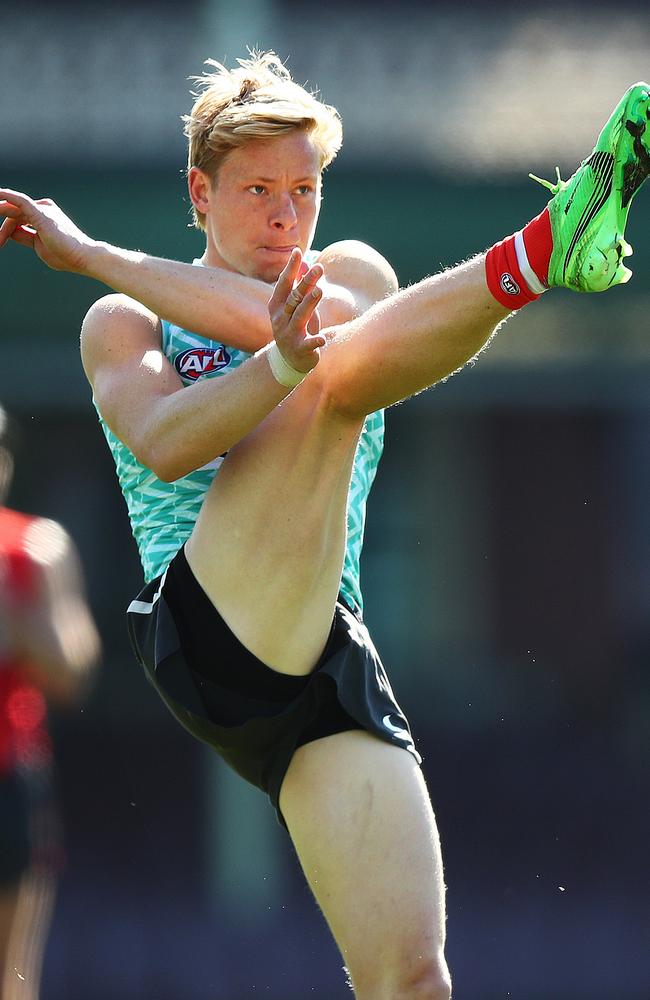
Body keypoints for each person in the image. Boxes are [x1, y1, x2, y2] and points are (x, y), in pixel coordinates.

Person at [0, 55, 648, 999]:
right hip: (206, 626)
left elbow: (321, 333)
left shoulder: (350, 274)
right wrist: (255, 359)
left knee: (413, 978)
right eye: (258, 190)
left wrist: (95, 245)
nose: (283, 216)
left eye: (303, 190)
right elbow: (166, 442)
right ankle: (547, 250)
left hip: (326, 651)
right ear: (200, 193)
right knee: (321, 381)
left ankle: (553, 250)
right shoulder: (122, 319)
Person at [0, 406, 100, 1000]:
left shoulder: (34, 550)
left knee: (11, 978)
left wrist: (20, 624)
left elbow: (74, 674)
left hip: (9, 777)